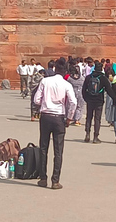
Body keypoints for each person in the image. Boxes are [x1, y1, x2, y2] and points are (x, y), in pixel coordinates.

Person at [33, 57, 76, 190]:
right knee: (58, 151)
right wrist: (69, 118)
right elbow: (73, 102)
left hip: (45, 116)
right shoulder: (66, 84)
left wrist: (45, 103)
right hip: (59, 118)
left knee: (43, 148)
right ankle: (55, 180)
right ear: (64, 71)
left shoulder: (45, 81)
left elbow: (36, 100)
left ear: (55, 69)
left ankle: (43, 178)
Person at [82, 61, 114, 144]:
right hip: (99, 101)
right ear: (102, 69)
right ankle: (95, 137)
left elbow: (84, 89)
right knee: (97, 119)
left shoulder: (88, 77)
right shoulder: (103, 78)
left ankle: (87, 134)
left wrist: (86, 99)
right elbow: (109, 91)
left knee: (89, 117)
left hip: (90, 100)